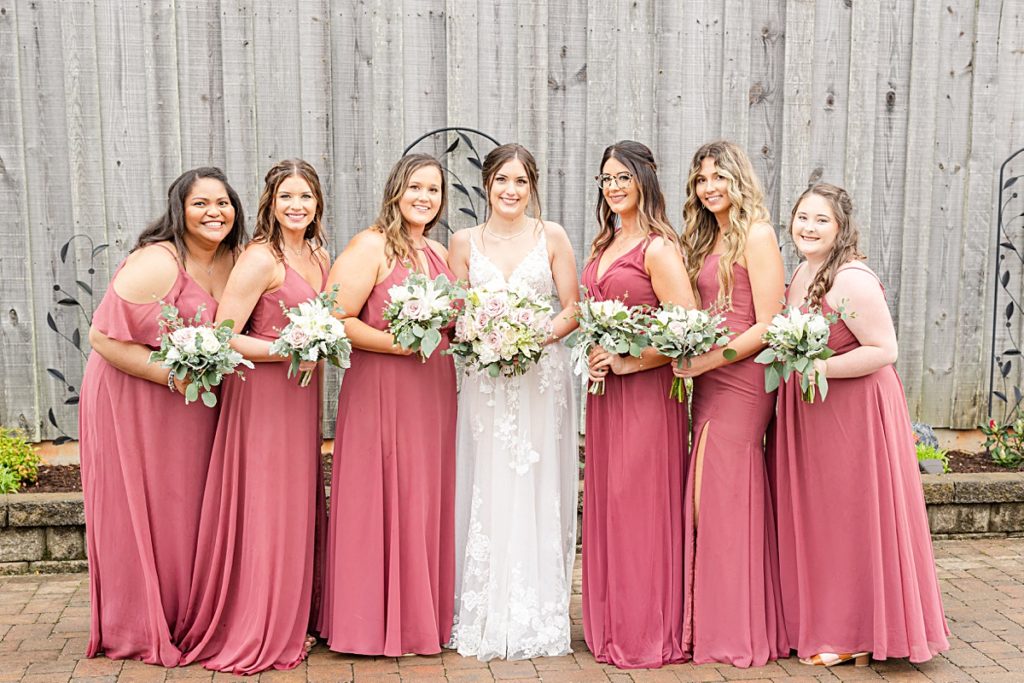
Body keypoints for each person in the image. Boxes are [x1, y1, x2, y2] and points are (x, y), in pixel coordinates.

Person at [773, 183, 950, 667]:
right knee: (827, 520)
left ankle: (859, 632)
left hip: (856, 414)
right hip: (818, 414)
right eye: (802, 217)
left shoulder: (851, 279)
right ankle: (832, 621)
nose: (808, 227)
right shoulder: (804, 273)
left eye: (821, 220)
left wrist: (818, 369)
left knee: (855, 516)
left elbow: (884, 351)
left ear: (841, 227)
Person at [79, 167, 245, 665]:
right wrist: (173, 378)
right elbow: (102, 338)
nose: (214, 212)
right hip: (132, 391)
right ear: (180, 210)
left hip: (191, 401)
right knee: (143, 504)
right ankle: (136, 621)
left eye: (223, 202)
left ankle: (186, 615)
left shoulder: (235, 259)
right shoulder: (157, 262)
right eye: (201, 204)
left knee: (186, 507)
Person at [177, 159, 329, 674]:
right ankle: (259, 624)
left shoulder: (318, 254)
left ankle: (293, 617)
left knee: (295, 504)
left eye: (306, 196)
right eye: (287, 196)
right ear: (270, 202)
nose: (297, 206)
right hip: (262, 397)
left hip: (300, 397)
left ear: (317, 204)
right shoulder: (259, 259)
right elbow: (222, 336)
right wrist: (286, 348)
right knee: (268, 507)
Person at [319, 153, 458, 656]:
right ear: (396, 190)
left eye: (434, 190)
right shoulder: (371, 245)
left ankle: (418, 617)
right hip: (383, 388)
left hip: (433, 392)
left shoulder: (438, 252)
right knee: (381, 492)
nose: (424, 198)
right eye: (416, 188)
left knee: (420, 497)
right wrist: (396, 344)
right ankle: (367, 622)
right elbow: (335, 317)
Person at [446, 143, 580, 661]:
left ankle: (536, 611)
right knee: (489, 479)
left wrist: (533, 336)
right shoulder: (463, 241)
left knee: (532, 478)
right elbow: (456, 315)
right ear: (486, 184)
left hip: (537, 376)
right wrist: (482, 333)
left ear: (533, 186)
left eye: (521, 181)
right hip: (485, 378)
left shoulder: (552, 236)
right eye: (503, 179)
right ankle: (483, 609)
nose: (511, 190)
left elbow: (572, 308)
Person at [675, 140, 788, 667]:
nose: (709, 187)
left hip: (742, 379)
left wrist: (709, 360)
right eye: (701, 179)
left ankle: (735, 631)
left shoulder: (759, 236)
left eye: (718, 176)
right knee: (706, 504)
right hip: (709, 379)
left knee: (722, 497)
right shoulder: (706, 238)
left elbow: (768, 325)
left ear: (738, 179)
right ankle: (713, 621)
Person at [582, 141, 695, 669]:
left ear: (645, 180)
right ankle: (613, 623)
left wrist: (631, 359)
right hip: (605, 396)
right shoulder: (605, 240)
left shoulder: (658, 248)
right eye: (606, 179)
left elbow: (687, 330)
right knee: (611, 504)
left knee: (640, 508)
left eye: (623, 177)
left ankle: (647, 629)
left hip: (647, 396)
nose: (613, 187)